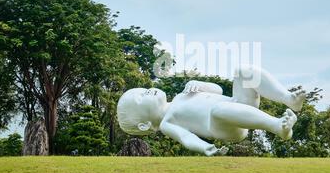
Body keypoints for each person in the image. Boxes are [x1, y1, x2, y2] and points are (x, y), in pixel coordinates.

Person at [117, 66, 306, 156]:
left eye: (142, 90)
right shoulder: (167, 123)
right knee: (217, 110)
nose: (146, 91)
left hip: (237, 104)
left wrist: (199, 84)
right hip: (223, 126)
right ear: (144, 124)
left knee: (244, 72)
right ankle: (277, 126)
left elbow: (218, 90)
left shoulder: (181, 95)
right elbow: (186, 138)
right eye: (141, 97)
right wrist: (206, 148)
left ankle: (288, 99)